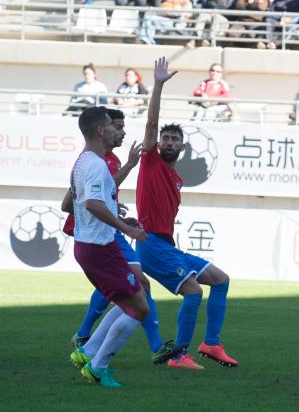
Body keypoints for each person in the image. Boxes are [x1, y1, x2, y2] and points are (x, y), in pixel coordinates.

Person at [136, 57, 236, 370]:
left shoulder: (177, 178)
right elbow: (152, 123)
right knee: (193, 293)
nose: (168, 141)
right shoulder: (150, 162)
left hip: (167, 245)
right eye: (165, 138)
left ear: (182, 148)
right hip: (150, 244)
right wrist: (158, 85)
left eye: (174, 139)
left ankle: (212, 343)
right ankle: (178, 355)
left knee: (220, 280)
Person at [65, 107, 177, 365]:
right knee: (139, 306)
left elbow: (72, 203)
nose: (120, 131)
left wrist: (115, 215)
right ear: (101, 130)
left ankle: (88, 350)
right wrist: (125, 228)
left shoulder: (83, 162)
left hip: (94, 243)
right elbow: (92, 204)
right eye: (115, 127)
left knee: (132, 296)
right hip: (100, 246)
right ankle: (97, 364)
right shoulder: (95, 164)